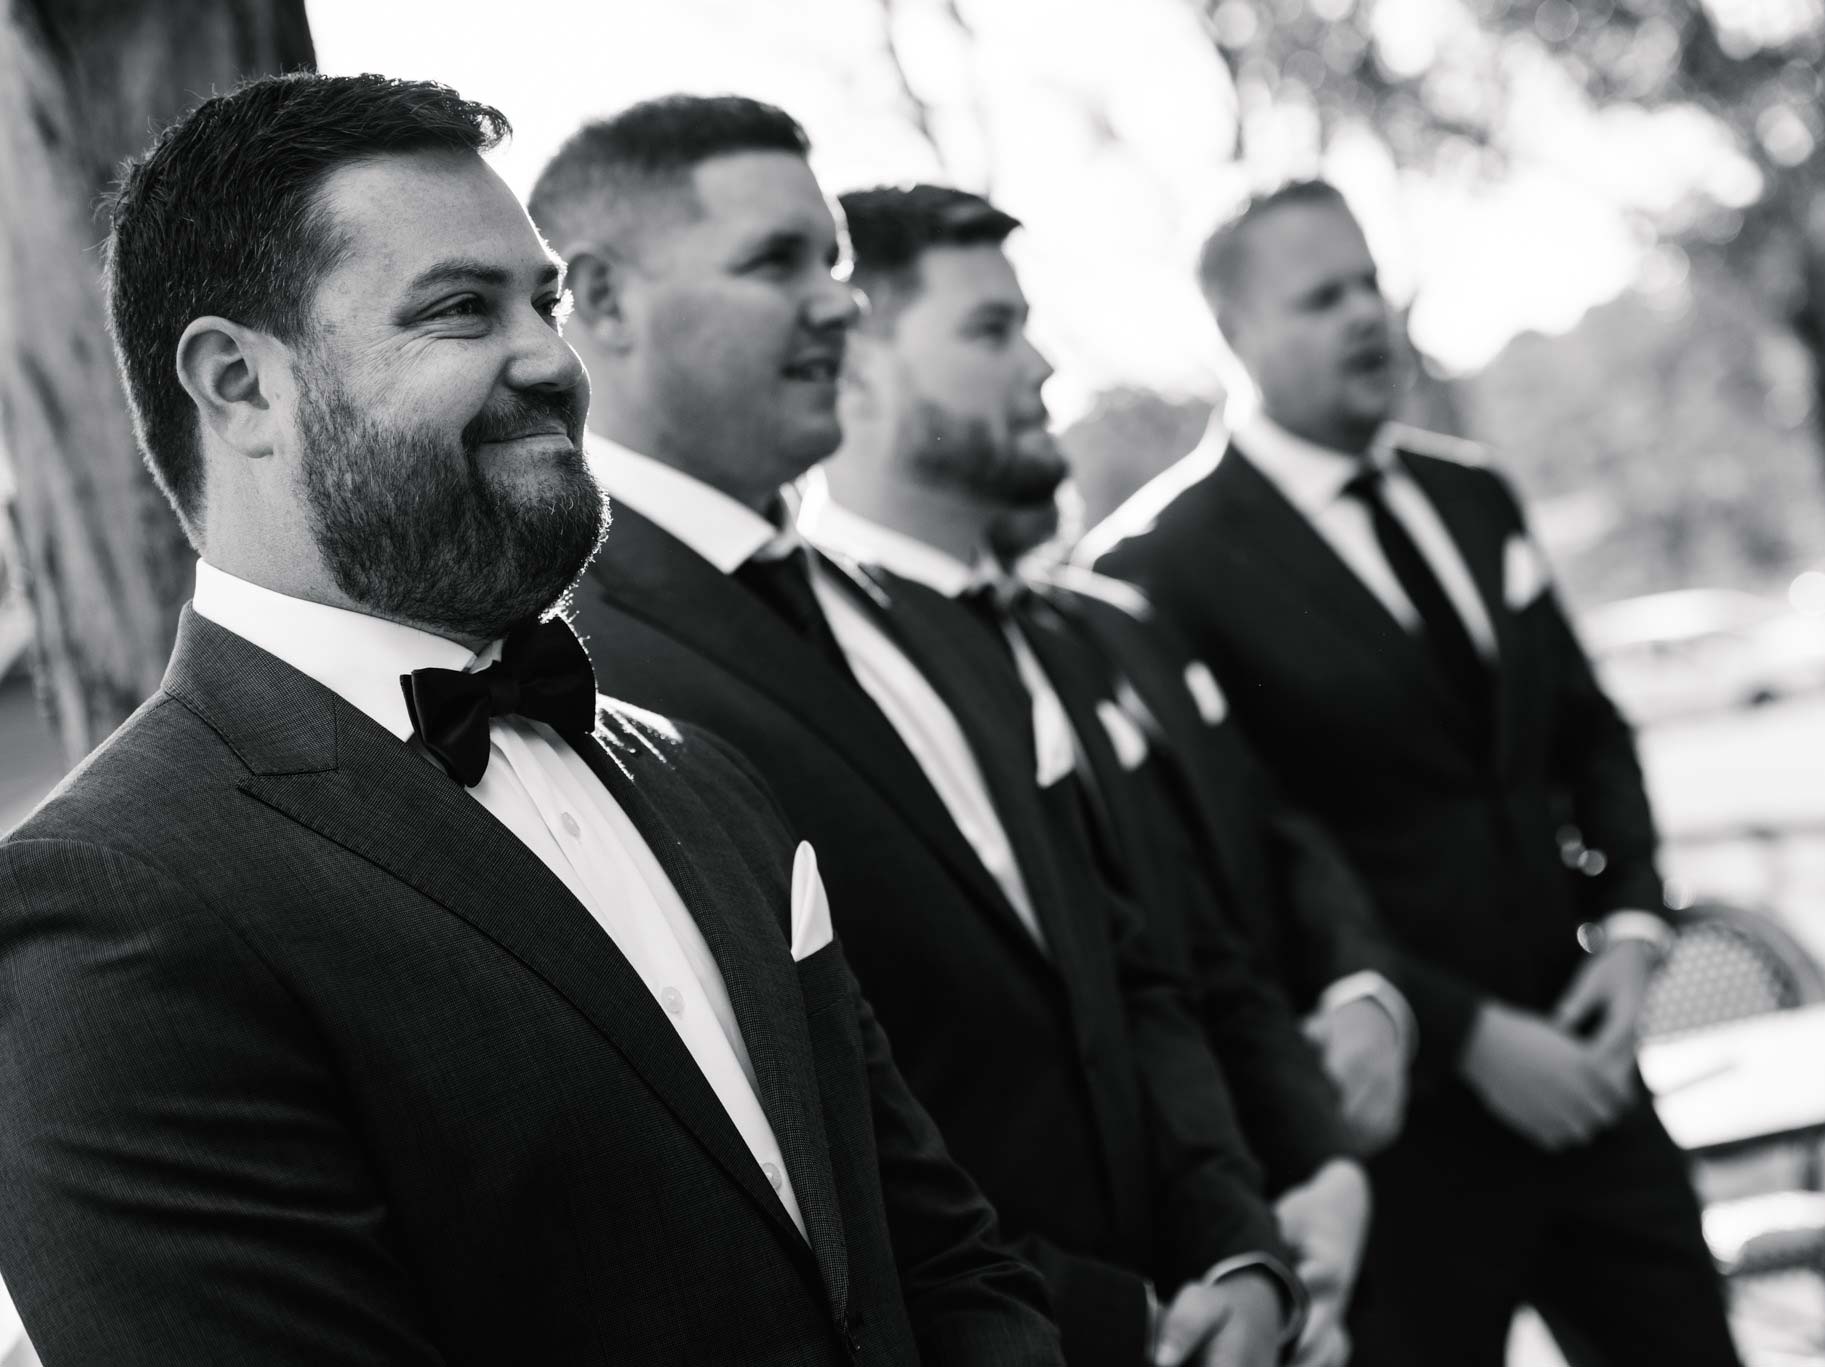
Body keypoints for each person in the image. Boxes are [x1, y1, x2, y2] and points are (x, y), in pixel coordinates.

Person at [0, 72, 1063, 1367]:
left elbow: (936, 1253)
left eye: (546, 301)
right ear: (239, 385)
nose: (555, 362)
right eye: (461, 309)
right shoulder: (107, 905)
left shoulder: (700, 777)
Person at [532, 96, 1301, 1367]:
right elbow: (768, 1130)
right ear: (602, 304)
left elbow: (1121, 964)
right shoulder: (584, 669)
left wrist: (1235, 1242)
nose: (838, 305)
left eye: (834, 266)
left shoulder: (923, 611)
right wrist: (1118, 1323)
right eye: (777, 262)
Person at [1081, 179, 1741, 1366]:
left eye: (1369, 283)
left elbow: (1585, 731)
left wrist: (1633, 921)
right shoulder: (1152, 567)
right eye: (1319, 296)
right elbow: (1245, 856)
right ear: (1232, 333)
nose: (1363, 316)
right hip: (1394, 1144)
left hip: (1592, 1083)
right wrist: (1465, 1035)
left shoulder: (1469, 489)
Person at [809, 183, 1432, 1367]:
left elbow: (1225, 910)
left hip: (1294, 1249)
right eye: (990, 330)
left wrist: (1318, 1172)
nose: (1042, 364)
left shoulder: (1107, 623)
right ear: (855, 363)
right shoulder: (836, 682)